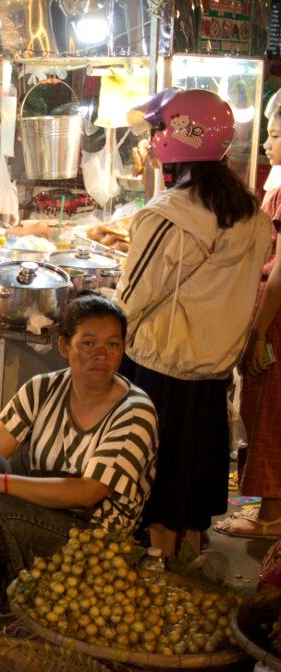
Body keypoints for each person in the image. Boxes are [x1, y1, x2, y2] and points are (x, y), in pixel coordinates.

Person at [118, 88, 272, 557]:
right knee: (193, 478)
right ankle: (189, 558)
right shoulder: (250, 216)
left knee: (157, 480)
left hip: (160, 371)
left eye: (156, 131)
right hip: (211, 375)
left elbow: (131, 300)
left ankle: (159, 568)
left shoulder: (167, 219)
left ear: (173, 141)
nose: (150, 141)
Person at [0, 293, 159, 580]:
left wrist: (2, 484)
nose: (101, 354)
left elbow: (88, 491)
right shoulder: (43, 388)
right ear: (65, 346)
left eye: (112, 344)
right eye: (88, 343)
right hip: (40, 510)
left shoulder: (135, 412)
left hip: (93, 540)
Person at [219, 106, 281, 538]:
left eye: (274, 133)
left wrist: (257, 331)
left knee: (267, 409)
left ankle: (271, 517)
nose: (265, 142)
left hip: (275, 318)